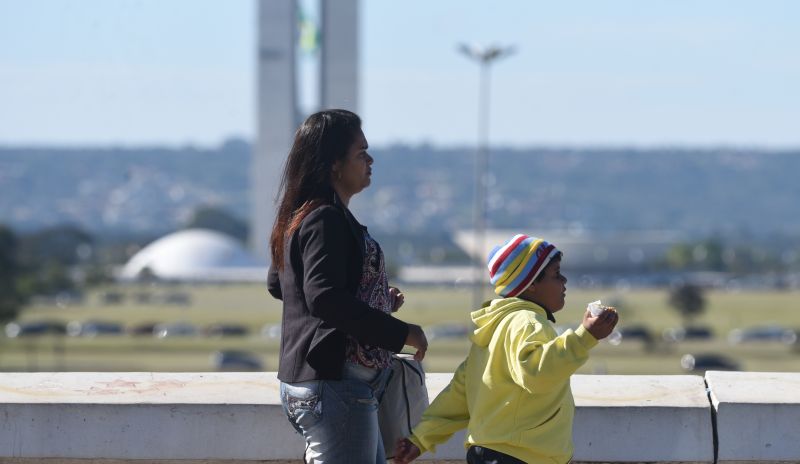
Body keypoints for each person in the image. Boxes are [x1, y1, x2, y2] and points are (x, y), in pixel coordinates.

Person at [267, 109, 428, 464]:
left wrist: (373, 300)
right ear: (334, 165)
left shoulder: (299, 216)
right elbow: (323, 297)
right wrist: (402, 332)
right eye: (361, 153)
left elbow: (283, 285)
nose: (370, 160)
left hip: (313, 383)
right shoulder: (326, 218)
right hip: (336, 386)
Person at [393, 234, 619, 464]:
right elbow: (537, 374)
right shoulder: (527, 322)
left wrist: (420, 439)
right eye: (556, 274)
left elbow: (458, 395)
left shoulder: (494, 328)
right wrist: (585, 337)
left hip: (489, 452)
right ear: (530, 284)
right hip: (519, 455)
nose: (564, 281)